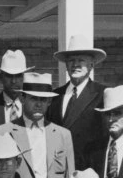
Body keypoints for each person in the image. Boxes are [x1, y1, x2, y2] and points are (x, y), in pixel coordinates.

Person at [0, 72, 75, 178]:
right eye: (33, 98)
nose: (38, 104)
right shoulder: (4, 132)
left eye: (43, 99)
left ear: (49, 102)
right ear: (22, 99)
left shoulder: (62, 135)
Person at [46, 35, 108, 168]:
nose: (75, 65)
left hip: (88, 172)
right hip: (56, 170)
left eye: (81, 60)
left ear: (91, 65)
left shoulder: (102, 94)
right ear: (66, 65)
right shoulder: (54, 95)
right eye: (71, 60)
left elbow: (107, 137)